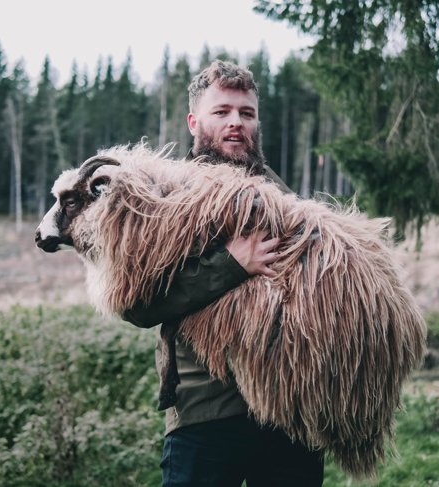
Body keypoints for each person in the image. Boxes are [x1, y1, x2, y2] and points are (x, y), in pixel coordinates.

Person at [122, 60, 324, 487]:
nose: (236, 123)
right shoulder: (165, 196)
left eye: (246, 113)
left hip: (289, 409)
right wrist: (231, 265)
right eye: (223, 112)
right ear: (194, 121)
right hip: (207, 412)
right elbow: (137, 304)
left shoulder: (279, 192)